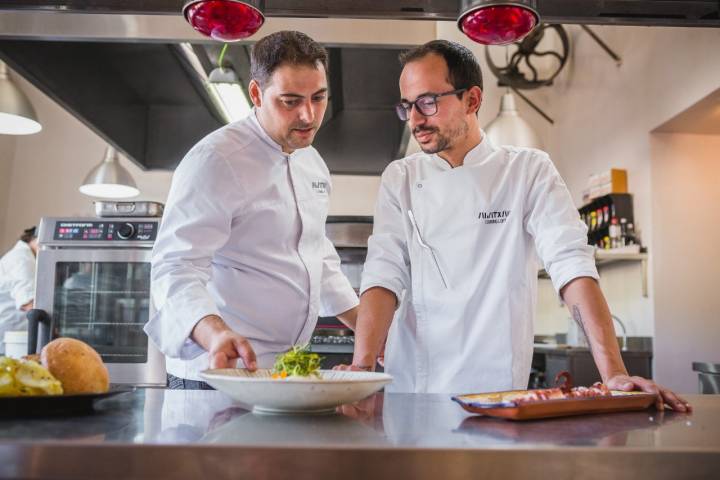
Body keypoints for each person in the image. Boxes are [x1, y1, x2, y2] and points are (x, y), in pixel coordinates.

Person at [343, 40, 689, 412]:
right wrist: (361, 370)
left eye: (427, 102)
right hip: (413, 390)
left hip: (496, 392)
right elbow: (384, 272)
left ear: (472, 99)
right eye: (407, 106)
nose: (415, 119)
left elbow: (571, 264)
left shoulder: (527, 171)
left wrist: (614, 373)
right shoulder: (401, 177)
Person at [145, 31, 358, 389]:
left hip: (285, 372)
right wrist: (214, 334)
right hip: (219, 372)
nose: (308, 115)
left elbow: (316, 252)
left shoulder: (313, 162)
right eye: (290, 101)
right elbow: (176, 264)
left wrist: (368, 326)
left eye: (318, 98)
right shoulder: (216, 160)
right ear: (256, 93)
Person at [0, 227, 38, 354]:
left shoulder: (27, 257)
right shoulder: (23, 259)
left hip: (13, 338)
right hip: (7, 340)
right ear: (35, 238)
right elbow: (29, 304)